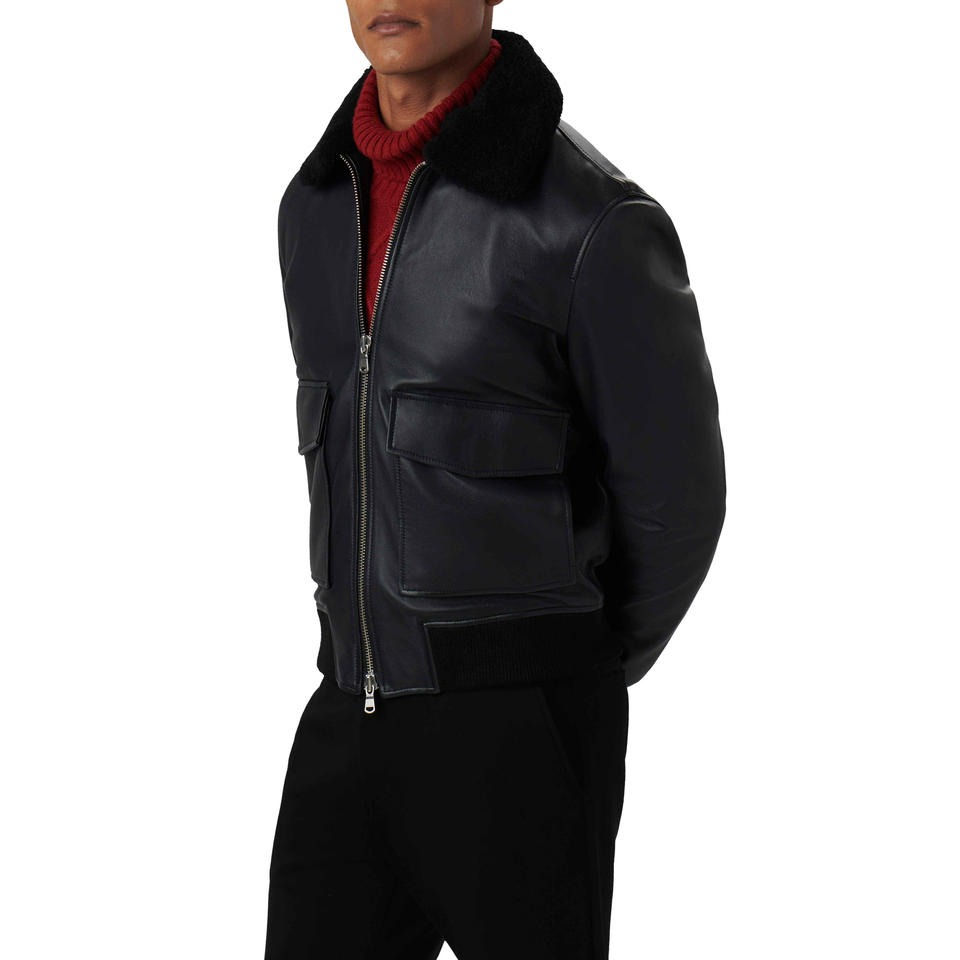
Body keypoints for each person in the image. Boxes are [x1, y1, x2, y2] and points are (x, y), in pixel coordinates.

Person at [265, 2, 726, 957]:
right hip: (348, 707)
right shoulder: (314, 204)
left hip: (523, 730)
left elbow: (678, 502)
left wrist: (560, 669)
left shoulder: (590, 221)